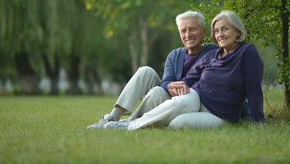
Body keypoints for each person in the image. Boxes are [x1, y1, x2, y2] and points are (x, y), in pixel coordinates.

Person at [104, 10, 264, 130]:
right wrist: (178, 86)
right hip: (192, 97)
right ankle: (125, 124)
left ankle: (135, 122)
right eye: (217, 31)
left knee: (176, 124)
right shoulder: (206, 54)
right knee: (167, 92)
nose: (220, 34)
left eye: (225, 29)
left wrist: (255, 120)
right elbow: (187, 78)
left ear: (238, 31)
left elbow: (253, 89)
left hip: (219, 112)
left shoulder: (244, 52)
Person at [87, 11, 218, 129]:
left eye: (192, 29)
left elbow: (208, 84)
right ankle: (112, 117)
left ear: (204, 32)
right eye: (183, 31)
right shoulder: (175, 54)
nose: (188, 35)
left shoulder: (213, 52)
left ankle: (129, 123)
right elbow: (166, 82)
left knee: (157, 92)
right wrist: (170, 86)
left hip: (191, 103)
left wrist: (181, 88)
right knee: (146, 71)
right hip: (170, 98)